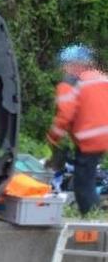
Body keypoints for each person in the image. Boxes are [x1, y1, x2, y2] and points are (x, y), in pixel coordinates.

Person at [46, 44, 108, 215]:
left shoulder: (71, 83)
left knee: (82, 183)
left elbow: (65, 115)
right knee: (87, 176)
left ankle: (92, 218)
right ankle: (93, 214)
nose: (63, 69)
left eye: (64, 64)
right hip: (104, 137)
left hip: (88, 138)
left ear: (74, 64)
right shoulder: (102, 78)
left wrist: (52, 138)